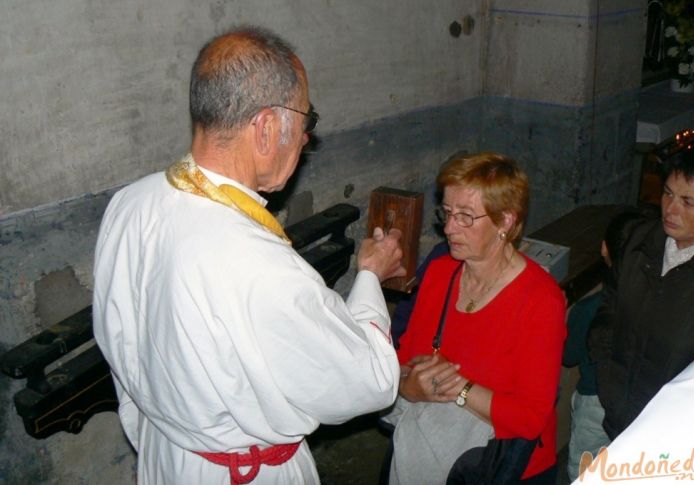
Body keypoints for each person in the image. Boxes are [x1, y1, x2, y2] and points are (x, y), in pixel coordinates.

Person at [93, 27, 405, 485]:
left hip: (167, 456)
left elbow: (120, 343)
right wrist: (369, 276)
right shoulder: (256, 264)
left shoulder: (129, 204)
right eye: (306, 121)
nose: (305, 140)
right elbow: (372, 380)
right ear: (265, 129)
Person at [383, 152, 566, 484]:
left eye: (466, 216)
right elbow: (404, 357)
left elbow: (530, 418)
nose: (449, 227)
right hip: (431, 455)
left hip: (504, 468)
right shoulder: (440, 273)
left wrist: (459, 388)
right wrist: (409, 386)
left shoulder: (541, 300)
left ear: (505, 222)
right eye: (448, 213)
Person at [590, 143, 694, 441]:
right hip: (613, 414)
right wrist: (605, 371)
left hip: (680, 435)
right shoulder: (639, 240)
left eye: (688, 202)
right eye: (668, 194)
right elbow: (610, 305)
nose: (670, 209)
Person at [563, 210, 646, 482]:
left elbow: (569, 355)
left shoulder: (589, 308)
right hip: (640, 398)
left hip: (594, 400)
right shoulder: (660, 304)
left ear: (604, 249)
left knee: (584, 471)